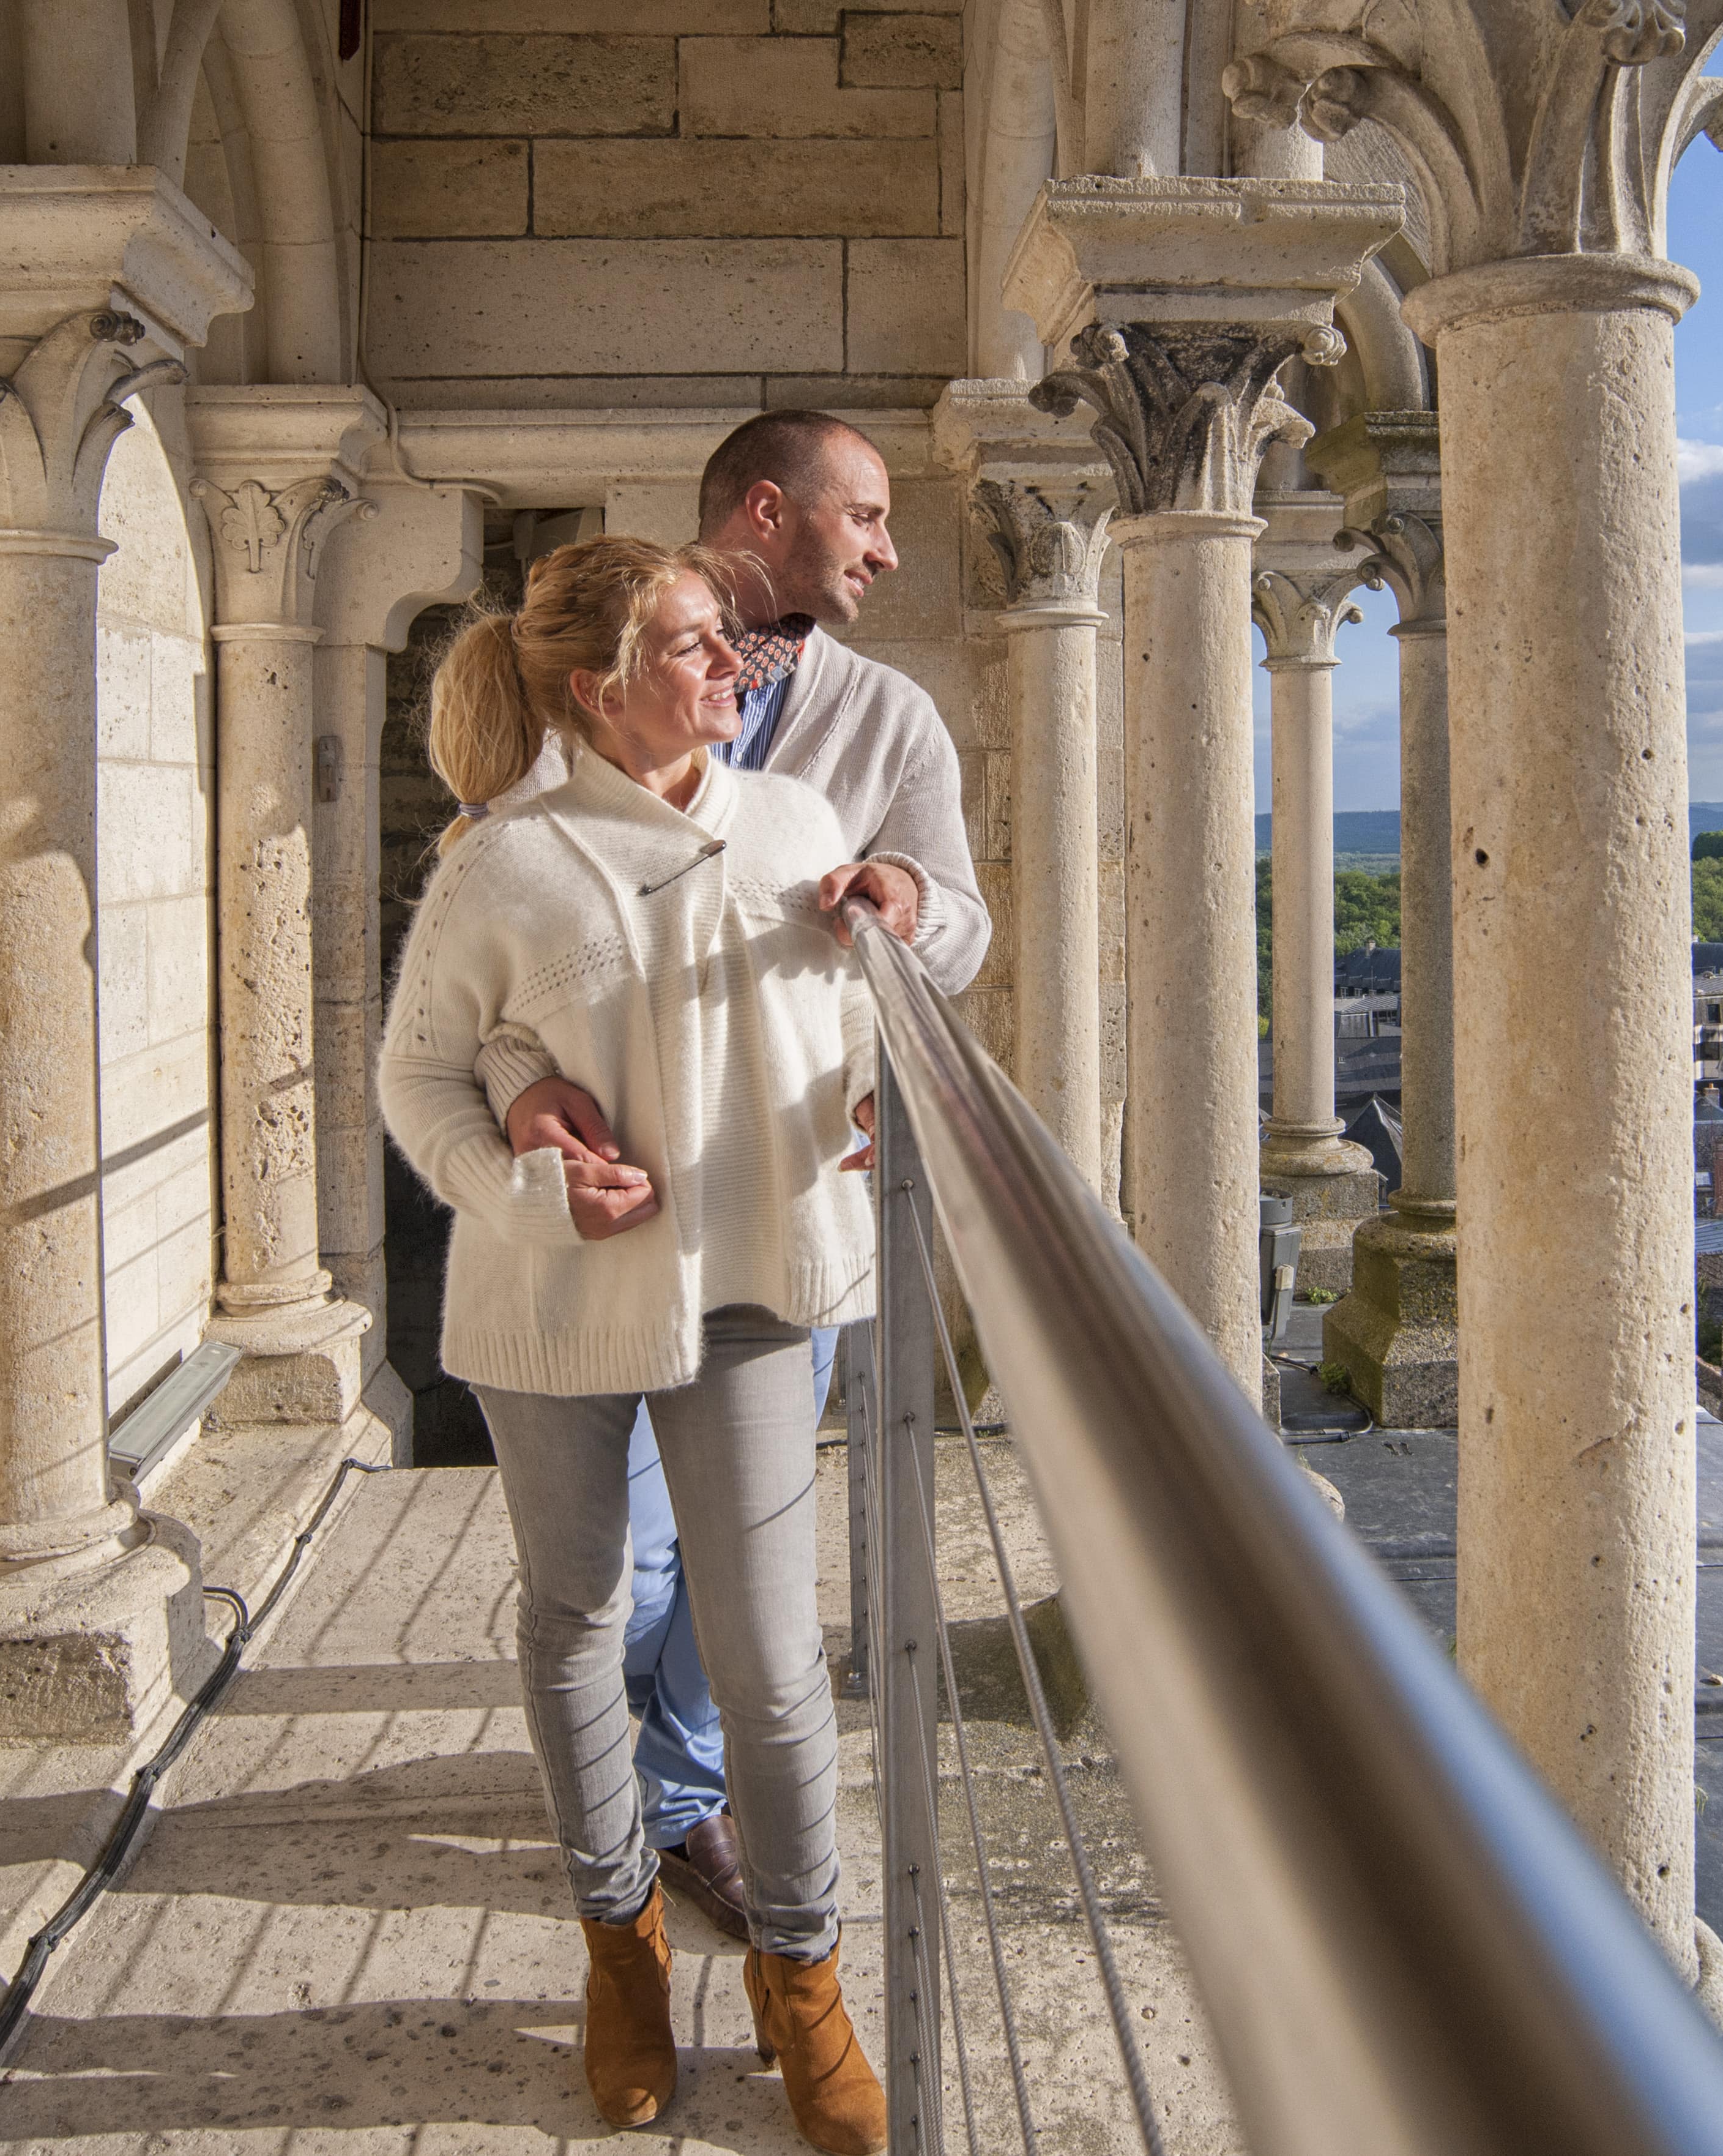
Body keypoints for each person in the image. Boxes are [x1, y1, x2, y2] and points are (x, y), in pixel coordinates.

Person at [379, 534, 887, 2152]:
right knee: (578, 1616)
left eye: (725, 635)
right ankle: (622, 1948)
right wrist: (520, 1186)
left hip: (755, 1285)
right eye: (691, 642)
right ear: (601, 692)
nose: (732, 662)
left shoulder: (796, 825)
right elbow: (420, 1073)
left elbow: (853, 1017)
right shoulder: (502, 863)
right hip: (553, 1303)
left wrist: (875, 1087)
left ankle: (804, 1975)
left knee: (770, 1660)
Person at [484, 412, 988, 1944]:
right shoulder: (575, 682)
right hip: (602, 1219)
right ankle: (633, 1810)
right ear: (768, 511)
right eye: (866, 516)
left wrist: (905, 898)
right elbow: (488, 938)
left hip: (778, 1203)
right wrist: (515, 1094)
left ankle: (679, 1794)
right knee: (622, 1572)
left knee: (739, 1570)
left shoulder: (887, 718)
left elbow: (962, 924)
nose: (887, 549)